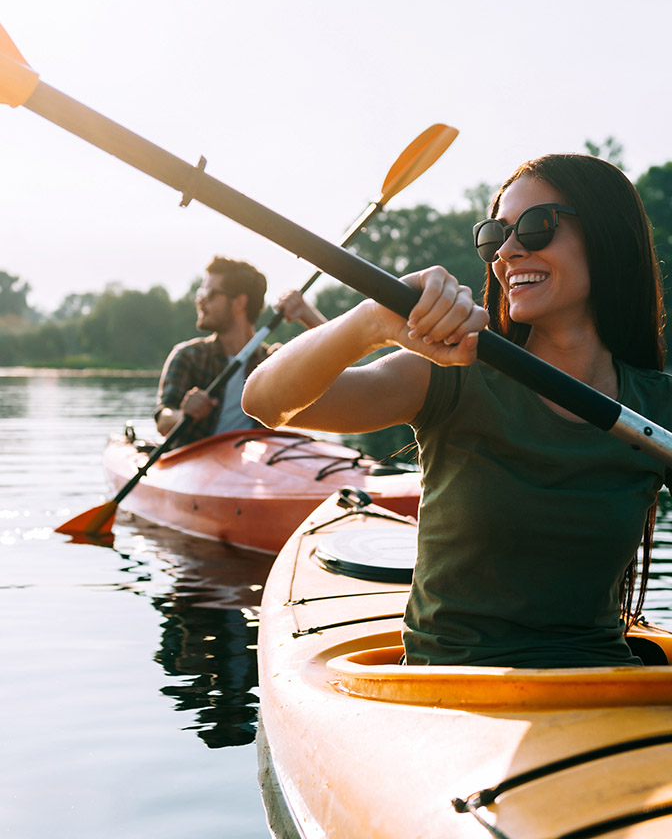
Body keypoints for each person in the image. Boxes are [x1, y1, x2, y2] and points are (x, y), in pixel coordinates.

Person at [242, 153, 672, 669]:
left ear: (608, 237)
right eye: (495, 235)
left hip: (604, 689)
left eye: (536, 227)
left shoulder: (657, 405)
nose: (507, 253)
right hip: (450, 690)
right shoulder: (450, 371)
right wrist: (373, 321)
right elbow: (264, 401)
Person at [155, 255, 325, 446]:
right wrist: (183, 415)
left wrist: (306, 314)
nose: (200, 301)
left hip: (252, 466)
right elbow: (163, 421)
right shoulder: (188, 356)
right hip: (194, 463)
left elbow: (336, 360)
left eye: (209, 294)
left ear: (238, 303)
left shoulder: (272, 361)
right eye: (200, 292)